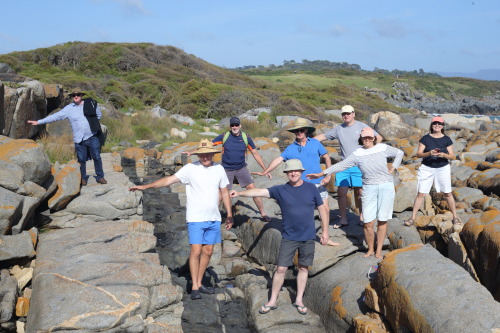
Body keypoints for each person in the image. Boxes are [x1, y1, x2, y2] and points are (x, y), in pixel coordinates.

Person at [130, 139, 234, 300]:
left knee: (208, 251)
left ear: (213, 154)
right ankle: (194, 287)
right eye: (202, 154)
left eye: (207, 154)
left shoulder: (219, 169)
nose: (205, 157)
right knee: (196, 250)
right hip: (195, 217)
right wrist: (146, 186)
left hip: (213, 217)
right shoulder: (190, 169)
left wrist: (229, 214)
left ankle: (199, 283)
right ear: (198, 155)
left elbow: (225, 193)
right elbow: (168, 180)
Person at [230, 159, 333, 316]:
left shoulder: (312, 188)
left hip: (308, 236)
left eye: (296, 171)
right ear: (286, 173)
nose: (293, 173)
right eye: (290, 171)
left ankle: (299, 300)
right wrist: (239, 193)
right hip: (289, 237)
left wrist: (325, 232)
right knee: (281, 269)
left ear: (301, 172)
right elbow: (259, 192)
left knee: (304, 268)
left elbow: (322, 210)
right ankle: (272, 300)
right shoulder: (280, 190)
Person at [308, 127, 403, 259]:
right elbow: (341, 165)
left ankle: (379, 250)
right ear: (361, 138)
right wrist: (321, 173)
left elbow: (399, 153)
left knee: (382, 220)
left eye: (370, 137)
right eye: (365, 137)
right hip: (369, 187)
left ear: (374, 138)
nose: (367, 139)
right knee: (368, 222)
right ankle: (370, 249)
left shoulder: (382, 148)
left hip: (385, 186)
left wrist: (393, 167)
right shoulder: (357, 153)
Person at [185, 116, 272, 221]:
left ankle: (263, 214)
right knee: (221, 194)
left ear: (240, 126)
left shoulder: (246, 138)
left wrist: (265, 169)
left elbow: (255, 153)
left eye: (236, 125)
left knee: (253, 190)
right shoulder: (224, 136)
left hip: (241, 168)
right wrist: (192, 152)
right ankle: (208, 216)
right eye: (232, 125)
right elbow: (207, 146)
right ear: (230, 126)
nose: (234, 127)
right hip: (226, 169)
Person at [314, 105, 383, 228]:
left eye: (348, 113)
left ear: (353, 114)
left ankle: (362, 216)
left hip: (360, 165)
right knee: (341, 192)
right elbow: (323, 136)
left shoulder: (362, 126)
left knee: (360, 192)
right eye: (344, 114)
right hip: (344, 165)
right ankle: (343, 219)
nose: (346, 116)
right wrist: (307, 142)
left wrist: (372, 151)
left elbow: (378, 137)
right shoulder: (338, 129)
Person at [253, 118, 332, 224]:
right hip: (302, 185)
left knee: (325, 210)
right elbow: (278, 159)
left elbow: (327, 157)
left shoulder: (315, 143)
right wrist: (265, 171)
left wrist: (328, 175)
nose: (299, 133)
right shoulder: (290, 148)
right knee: (304, 212)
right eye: (296, 130)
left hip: (319, 182)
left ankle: (325, 235)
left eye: (301, 130)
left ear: (306, 131)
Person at [27, 88, 107, 186]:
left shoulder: (90, 104)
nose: (76, 96)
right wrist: (38, 122)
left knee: (97, 157)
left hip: (92, 136)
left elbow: (98, 115)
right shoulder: (69, 109)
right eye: (74, 95)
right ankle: (83, 178)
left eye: (78, 94)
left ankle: (100, 177)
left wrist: (91, 124)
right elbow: (55, 116)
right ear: (72, 97)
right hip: (79, 138)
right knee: (81, 160)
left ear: (82, 95)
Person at [404, 116, 461, 227]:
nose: (437, 125)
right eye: (435, 123)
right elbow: (418, 154)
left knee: (448, 193)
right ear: (431, 125)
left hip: (443, 168)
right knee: (421, 193)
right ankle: (412, 218)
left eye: (439, 124)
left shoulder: (447, 139)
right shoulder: (425, 139)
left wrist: (444, 155)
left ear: (443, 126)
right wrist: (429, 153)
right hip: (427, 168)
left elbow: (453, 156)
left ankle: (455, 217)